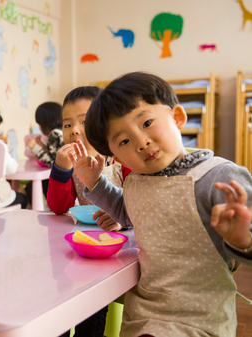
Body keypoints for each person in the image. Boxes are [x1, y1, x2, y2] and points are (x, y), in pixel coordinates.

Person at [71, 72, 252, 336]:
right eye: (123, 141)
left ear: (177, 117)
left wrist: (242, 240)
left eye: (146, 122)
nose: (141, 142)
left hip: (200, 316)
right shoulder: (135, 182)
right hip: (143, 311)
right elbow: (128, 211)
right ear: (115, 157)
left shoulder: (219, 177)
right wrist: (94, 181)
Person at [48, 86, 131, 232]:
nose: (74, 130)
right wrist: (61, 170)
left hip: (127, 238)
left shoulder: (122, 159)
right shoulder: (72, 164)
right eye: (67, 125)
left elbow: (143, 205)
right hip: (88, 233)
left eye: (84, 122)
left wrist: (123, 220)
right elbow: (59, 209)